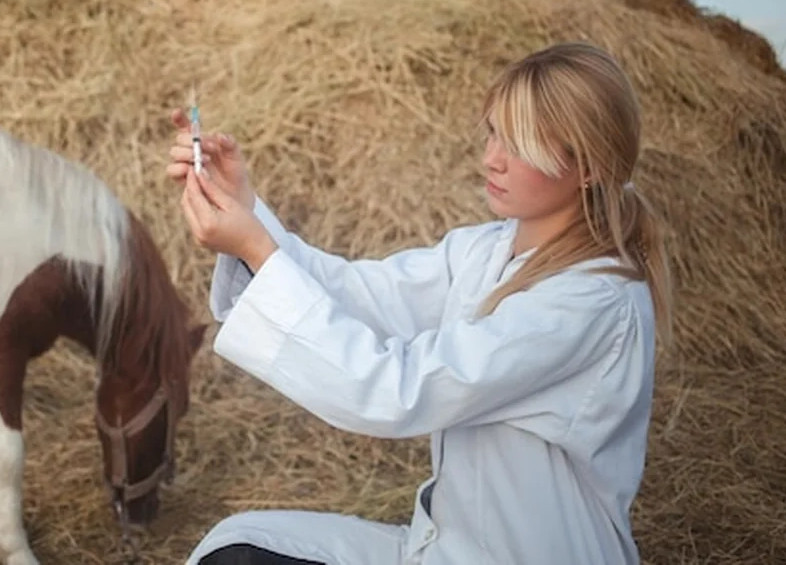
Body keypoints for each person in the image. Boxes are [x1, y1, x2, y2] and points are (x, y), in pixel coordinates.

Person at [164, 41, 673, 565]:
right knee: (235, 548)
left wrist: (255, 246)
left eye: (521, 144)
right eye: (494, 131)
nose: (491, 158)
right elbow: (359, 295)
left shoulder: (591, 302)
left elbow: (398, 390)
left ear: (587, 166)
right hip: (448, 548)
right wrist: (244, 208)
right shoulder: (487, 249)